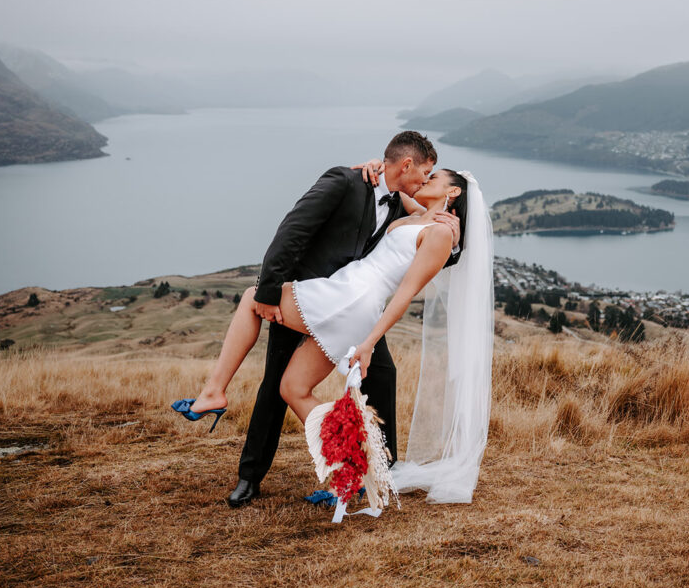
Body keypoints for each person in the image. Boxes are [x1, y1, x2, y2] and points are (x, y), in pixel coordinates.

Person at [175, 166, 493, 505]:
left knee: (252, 299)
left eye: (434, 178)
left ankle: (213, 392)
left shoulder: (442, 234)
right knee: (292, 388)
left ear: (454, 192)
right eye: (424, 174)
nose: (425, 180)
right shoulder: (420, 215)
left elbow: (405, 294)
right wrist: (372, 165)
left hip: (353, 299)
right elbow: (396, 181)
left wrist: (370, 341)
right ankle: (349, 469)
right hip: (347, 294)